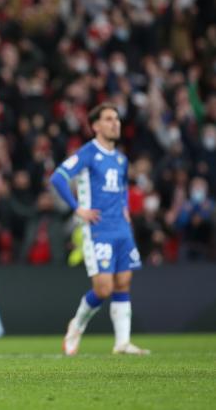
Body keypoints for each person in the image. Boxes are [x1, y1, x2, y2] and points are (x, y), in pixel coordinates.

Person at [49, 103, 149, 356]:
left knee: (123, 283)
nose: (115, 123)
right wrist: (76, 208)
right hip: (98, 229)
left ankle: (122, 343)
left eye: (116, 118)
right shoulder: (87, 153)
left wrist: (125, 207)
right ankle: (76, 326)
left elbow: (122, 188)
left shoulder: (121, 159)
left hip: (122, 229)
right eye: (108, 119)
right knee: (103, 288)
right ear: (95, 126)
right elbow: (58, 177)